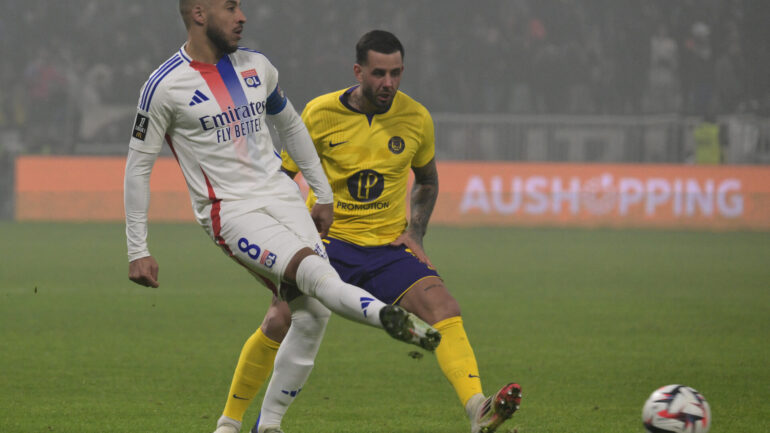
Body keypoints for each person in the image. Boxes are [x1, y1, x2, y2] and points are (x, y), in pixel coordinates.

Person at [124, 2, 442, 429]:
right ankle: (389, 318)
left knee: (313, 313)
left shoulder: (257, 67)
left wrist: (322, 194)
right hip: (232, 211)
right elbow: (138, 166)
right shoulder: (164, 87)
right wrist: (137, 248)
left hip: (281, 195)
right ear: (199, 13)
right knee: (312, 274)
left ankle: (255, 426)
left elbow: (291, 126)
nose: (242, 16)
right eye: (230, 6)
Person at [213, 30, 522, 433]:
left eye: (396, 73)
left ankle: (477, 410)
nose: (388, 83)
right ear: (358, 71)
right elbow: (283, 177)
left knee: (444, 309)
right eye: (379, 73)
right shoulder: (319, 113)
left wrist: (416, 232)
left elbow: (427, 179)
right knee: (280, 319)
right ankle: (230, 422)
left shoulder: (416, 118)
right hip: (327, 244)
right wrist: (285, 238)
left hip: (387, 248)